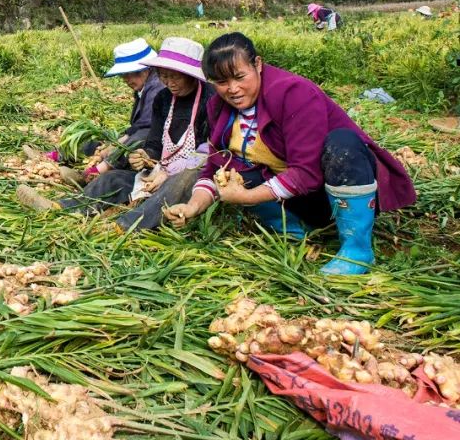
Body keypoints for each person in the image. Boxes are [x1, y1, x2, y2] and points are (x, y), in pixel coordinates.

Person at [163, 33, 416, 275]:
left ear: (258, 64)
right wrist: (193, 205)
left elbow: (306, 172)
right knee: (236, 167)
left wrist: (247, 197)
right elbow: (215, 166)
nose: (233, 89)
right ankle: (294, 228)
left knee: (343, 144)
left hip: (333, 186)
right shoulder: (219, 107)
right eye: (221, 82)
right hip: (296, 199)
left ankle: (356, 250)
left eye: (240, 77)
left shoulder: (294, 93)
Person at [18, 37, 212, 232]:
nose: (169, 83)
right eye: (164, 76)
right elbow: (154, 143)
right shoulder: (163, 99)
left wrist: (168, 174)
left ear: (190, 74)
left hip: (192, 178)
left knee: (178, 183)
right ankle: (64, 207)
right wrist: (146, 157)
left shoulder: (210, 100)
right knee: (114, 178)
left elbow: (208, 153)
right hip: (159, 172)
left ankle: (124, 227)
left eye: (174, 77)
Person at [24, 38, 163, 185]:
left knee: (135, 140)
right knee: (100, 140)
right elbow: (137, 125)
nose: (126, 80)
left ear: (145, 69)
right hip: (142, 135)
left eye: (130, 74)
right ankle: (54, 156)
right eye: (123, 75)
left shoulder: (157, 87)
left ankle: (93, 173)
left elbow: (146, 127)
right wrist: (113, 143)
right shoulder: (144, 86)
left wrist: (116, 145)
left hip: (152, 147)